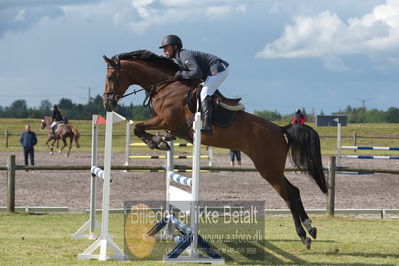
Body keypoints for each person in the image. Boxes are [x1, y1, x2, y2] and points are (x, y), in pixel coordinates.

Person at [159, 34, 229, 136]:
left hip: (218, 69)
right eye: (163, 48)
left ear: (175, 47)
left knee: (204, 93)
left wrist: (182, 74)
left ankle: (207, 125)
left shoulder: (184, 55)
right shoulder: (179, 58)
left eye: (166, 47)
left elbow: (196, 73)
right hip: (211, 71)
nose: (164, 51)